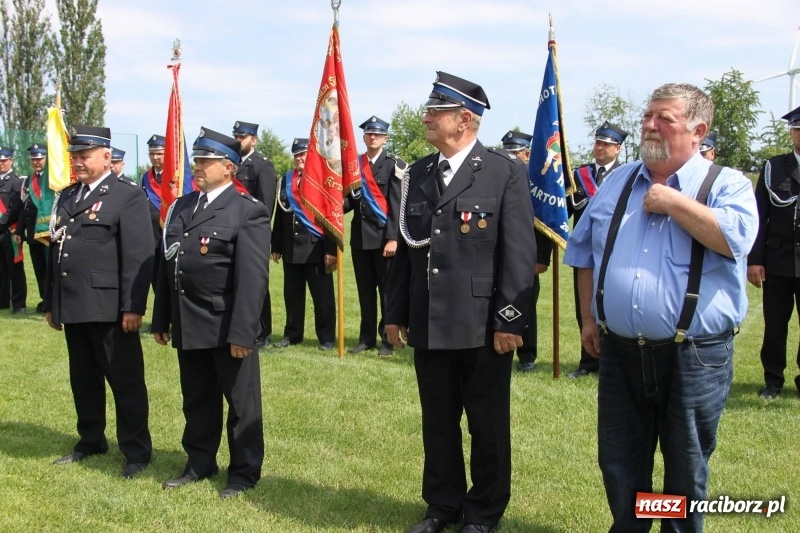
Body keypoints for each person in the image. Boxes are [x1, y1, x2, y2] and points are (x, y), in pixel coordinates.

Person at [563, 83, 757, 532]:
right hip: (621, 349)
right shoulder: (619, 179)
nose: (650, 124)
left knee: (685, 466)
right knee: (619, 460)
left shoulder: (725, 184)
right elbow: (584, 252)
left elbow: (736, 240)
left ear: (697, 130)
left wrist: (673, 201)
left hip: (693, 354)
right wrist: (589, 319)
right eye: (648, 115)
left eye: (664, 118)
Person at [385, 72, 536, 533]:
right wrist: (394, 314)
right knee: (438, 422)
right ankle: (442, 506)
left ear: (465, 120)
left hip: (481, 322)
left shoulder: (502, 171)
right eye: (429, 110)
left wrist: (510, 319)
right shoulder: (418, 173)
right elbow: (406, 250)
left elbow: (518, 252)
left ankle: (484, 512)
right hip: (429, 319)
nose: (426, 117)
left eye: (436, 111)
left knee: (486, 425)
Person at [151, 127, 270, 498]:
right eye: (196, 160)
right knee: (197, 399)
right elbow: (169, 266)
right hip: (188, 321)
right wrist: (162, 316)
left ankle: (243, 473)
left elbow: (253, 279)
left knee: (240, 405)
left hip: (226, 323)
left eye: (205, 161)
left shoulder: (246, 211)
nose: (197, 167)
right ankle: (199, 462)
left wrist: (243, 332)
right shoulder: (181, 207)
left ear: (229, 168)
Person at [43, 126, 154, 479]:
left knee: (125, 381)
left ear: (106, 156)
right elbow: (57, 251)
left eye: (84, 155)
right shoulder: (68, 196)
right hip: (74, 304)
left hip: (110, 309)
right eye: (74, 156)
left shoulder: (127, 196)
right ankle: (91, 439)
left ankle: (136, 451)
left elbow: (138, 255)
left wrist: (133, 306)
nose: (77, 162)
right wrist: (52, 302)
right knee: (83, 378)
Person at [566, 121, 628, 379]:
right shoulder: (578, 176)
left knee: (613, 305)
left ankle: (614, 361)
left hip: (616, 251)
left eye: (606, 144)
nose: (599, 148)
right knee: (585, 305)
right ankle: (588, 361)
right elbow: (564, 213)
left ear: (618, 149)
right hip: (585, 254)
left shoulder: (627, 175)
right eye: (597, 143)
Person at [747, 105, 800, 399]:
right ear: (791, 132)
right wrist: (754, 260)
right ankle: (773, 381)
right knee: (775, 326)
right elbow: (759, 217)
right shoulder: (774, 167)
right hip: (777, 261)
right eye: (797, 129)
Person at [345, 116, 405, 357]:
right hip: (360, 239)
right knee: (365, 291)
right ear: (363, 137)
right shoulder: (354, 165)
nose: (373, 137)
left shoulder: (394, 164)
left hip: (383, 240)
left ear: (385, 139)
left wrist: (393, 238)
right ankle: (366, 338)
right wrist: (335, 206)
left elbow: (397, 204)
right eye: (369, 134)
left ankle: (387, 341)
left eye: (378, 135)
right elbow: (351, 198)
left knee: (387, 292)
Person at [271, 138, 336, 351]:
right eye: (297, 154)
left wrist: (330, 249)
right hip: (291, 247)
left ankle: (326, 337)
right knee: (292, 296)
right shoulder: (285, 181)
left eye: (303, 154)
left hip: (316, 248)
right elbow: (280, 216)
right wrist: (276, 246)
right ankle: (292, 334)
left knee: (323, 297)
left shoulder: (323, 180)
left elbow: (330, 218)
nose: (300, 157)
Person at [500, 130, 553, 372]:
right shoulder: (497, 177)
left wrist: (542, 258)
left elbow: (546, 223)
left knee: (526, 305)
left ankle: (527, 355)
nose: (510, 156)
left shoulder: (538, 183)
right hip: (500, 255)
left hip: (528, 257)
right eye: (507, 151)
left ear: (527, 153)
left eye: (515, 152)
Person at [232, 120, 278, 348]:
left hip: (253, 234)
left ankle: (262, 330)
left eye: (243, 137)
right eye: (237, 136)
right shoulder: (229, 164)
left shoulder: (263, 166)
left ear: (254, 140)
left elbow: (265, 205)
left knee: (256, 281)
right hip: (230, 232)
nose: (239, 140)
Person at [16, 144, 49, 312]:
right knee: (39, 268)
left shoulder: (53, 178)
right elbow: (24, 207)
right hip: (33, 232)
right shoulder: (28, 180)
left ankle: (53, 300)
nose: (36, 162)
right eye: (33, 159)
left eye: (40, 158)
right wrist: (19, 231)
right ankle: (45, 299)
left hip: (48, 230)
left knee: (51, 267)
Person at [0, 146, 27, 313]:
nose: (1, 163)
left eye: (4, 160)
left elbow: (15, 208)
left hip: (9, 231)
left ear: (11, 161)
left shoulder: (17, 182)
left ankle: (18, 304)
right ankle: (2, 302)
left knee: (14, 268)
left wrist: (3, 222)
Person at [140, 134, 166, 292]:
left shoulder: (177, 176)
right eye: (152, 154)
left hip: (168, 234)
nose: (155, 157)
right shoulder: (145, 178)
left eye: (159, 153)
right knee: (155, 276)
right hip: (152, 236)